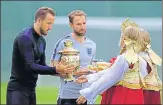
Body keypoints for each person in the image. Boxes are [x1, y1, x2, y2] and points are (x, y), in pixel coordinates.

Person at [6, 7, 75, 105]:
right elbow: (30, 66)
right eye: (48, 23)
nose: (51, 27)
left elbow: (42, 66)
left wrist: (62, 72)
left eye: (52, 24)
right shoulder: (25, 38)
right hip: (18, 91)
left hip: (31, 91)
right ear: (39, 20)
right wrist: (56, 69)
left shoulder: (42, 41)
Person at [76, 26, 148, 104]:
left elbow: (109, 77)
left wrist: (89, 92)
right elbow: (112, 71)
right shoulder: (141, 59)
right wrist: (90, 78)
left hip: (121, 95)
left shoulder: (123, 58)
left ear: (124, 39)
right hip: (136, 95)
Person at [50, 10, 96, 105]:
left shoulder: (92, 45)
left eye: (84, 23)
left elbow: (93, 68)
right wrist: (74, 73)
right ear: (71, 25)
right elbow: (52, 70)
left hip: (86, 95)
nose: (82, 27)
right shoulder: (63, 43)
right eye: (78, 24)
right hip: (68, 96)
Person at [138, 28, 162, 104]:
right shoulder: (149, 54)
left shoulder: (141, 57)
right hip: (154, 90)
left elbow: (141, 75)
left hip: (147, 91)